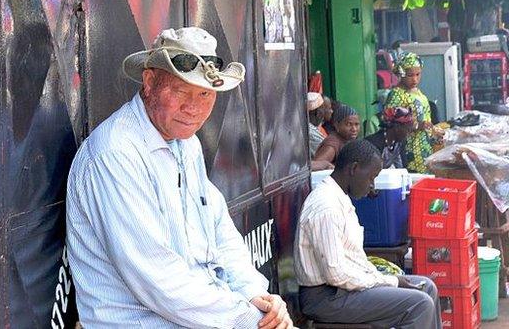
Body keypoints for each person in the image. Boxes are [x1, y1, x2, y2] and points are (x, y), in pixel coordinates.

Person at [66, 27, 293, 329]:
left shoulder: (186, 143)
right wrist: (248, 318)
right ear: (149, 82)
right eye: (180, 91)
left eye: (204, 93)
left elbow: (219, 231)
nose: (193, 108)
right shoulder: (116, 154)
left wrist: (255, 294)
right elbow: (159, 280)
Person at [295, 139, 441, 328]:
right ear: (354, 169)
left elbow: (353, 261)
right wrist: (390, 281)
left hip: (342, 290)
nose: (372, 185)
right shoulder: (326, 207)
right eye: (371, 177)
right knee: (419, 304)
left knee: (427, 286)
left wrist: (385, 280)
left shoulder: (339, 199)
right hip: (327, 298)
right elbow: (336, 274)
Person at [383, 52, 438, 173]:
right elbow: (390, 122)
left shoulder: (417, 92)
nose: (415, 79)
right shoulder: (397, 94)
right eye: (410, 75)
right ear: (401, 74)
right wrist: (417, 125)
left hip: (424, 146)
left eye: (418, 74)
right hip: (408, 148)